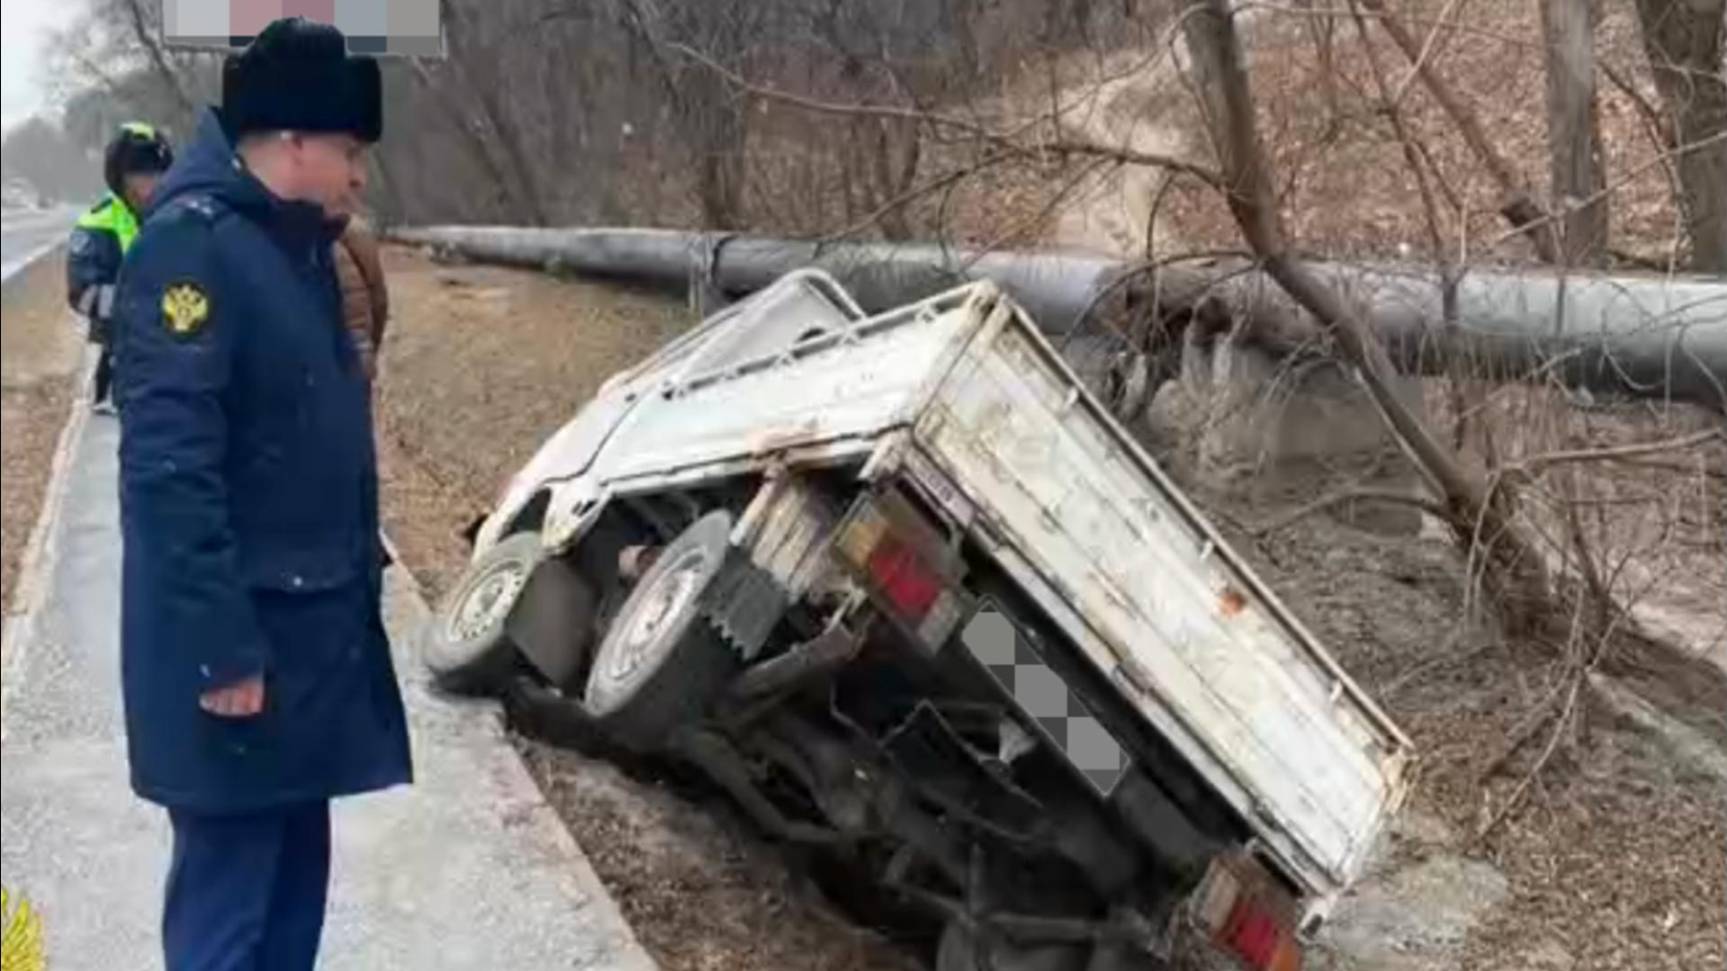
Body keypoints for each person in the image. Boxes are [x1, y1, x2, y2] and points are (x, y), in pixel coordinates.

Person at [112, 18, 410, 970]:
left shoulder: (293, 248)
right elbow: (169, 475)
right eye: (350, 150)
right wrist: (220, 653)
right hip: (238, 664)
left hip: (304, 654)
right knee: (228, 918)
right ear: (290, 140)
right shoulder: (191, 252)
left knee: (288, 914)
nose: (360, 175)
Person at [66, 122, 173, 413]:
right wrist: (139, 302)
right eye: (138, 176)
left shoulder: (181, 216)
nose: (149, 186)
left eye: (156, 175)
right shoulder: (96, 223)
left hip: (177, 352)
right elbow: (82, 293)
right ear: (119, 178)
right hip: (116, 357)